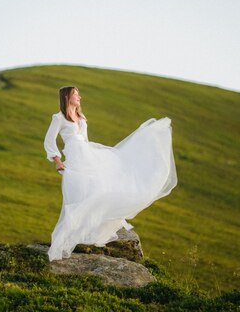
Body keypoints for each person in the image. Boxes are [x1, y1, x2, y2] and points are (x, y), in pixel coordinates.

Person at [44, 86, 178, 261]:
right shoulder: (59, 118)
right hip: (74, 157)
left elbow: (85, 140)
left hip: (87, 154)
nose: (80, 97)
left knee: (104, 187)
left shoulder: (82, 118)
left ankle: (94, 228)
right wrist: (57, 161)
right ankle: (68, 237)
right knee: (80, 196)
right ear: (67, 96)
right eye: (76, 94)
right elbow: (49, 139)